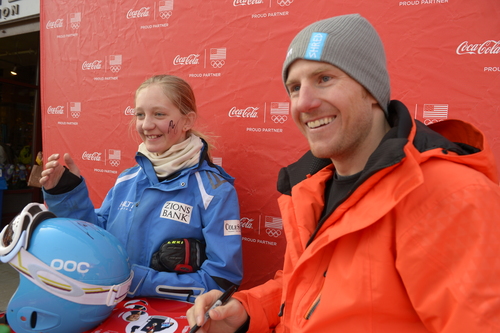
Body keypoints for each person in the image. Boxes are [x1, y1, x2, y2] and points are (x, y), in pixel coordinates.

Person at [186, 14, 500, 332]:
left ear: (371, 90)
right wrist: (246, 310)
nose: (303, 103)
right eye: (294, 87)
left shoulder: (451, 195)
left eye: (324, 79)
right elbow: (309, 290)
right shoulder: (311, 184)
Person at [40, 74, 243, 302]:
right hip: (110, 312)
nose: (146, 125)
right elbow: (96, 240)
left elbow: (222, 281)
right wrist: (67, 194)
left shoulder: (214, 191)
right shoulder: (127, 180)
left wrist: (138, 282)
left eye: (159, 114)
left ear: (187, 121)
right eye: (140, 114)